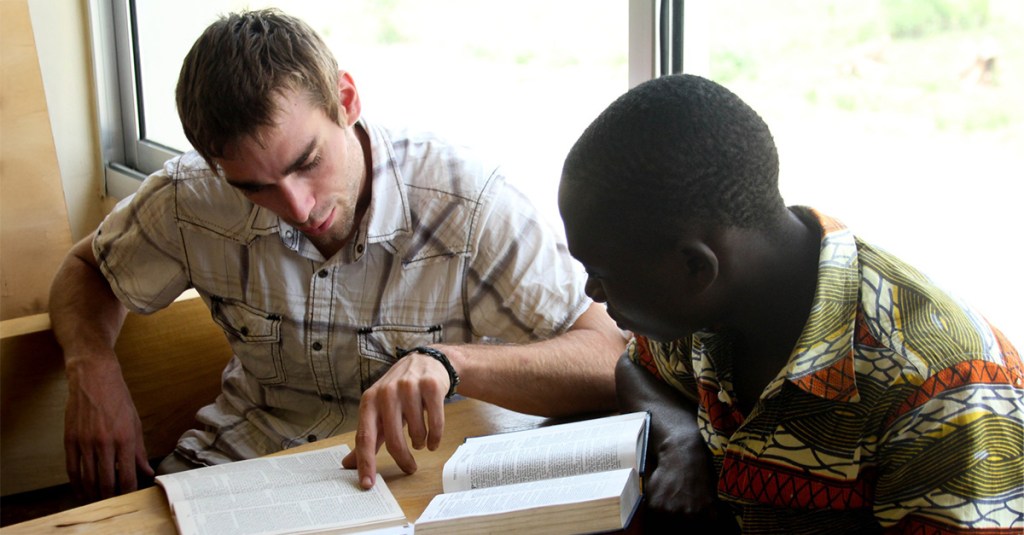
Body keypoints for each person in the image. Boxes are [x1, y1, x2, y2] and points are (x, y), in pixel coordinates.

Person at [50, 8, 625, 500]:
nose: (297, 207)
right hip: (232, 474)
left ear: (345, 100)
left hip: (411, 485)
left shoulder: (468, 203)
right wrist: (91, 366)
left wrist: (452, 363)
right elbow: (87, 270)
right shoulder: (190, 196)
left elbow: (606, 359)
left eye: (307, 163)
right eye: (255, 188)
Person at [558, 74, 1023, 533]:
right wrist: (680, 439)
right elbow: (636, 366)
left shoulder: (940, 389)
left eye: (600, 274)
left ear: (696, 267)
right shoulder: (710, 308)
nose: (591, 293)